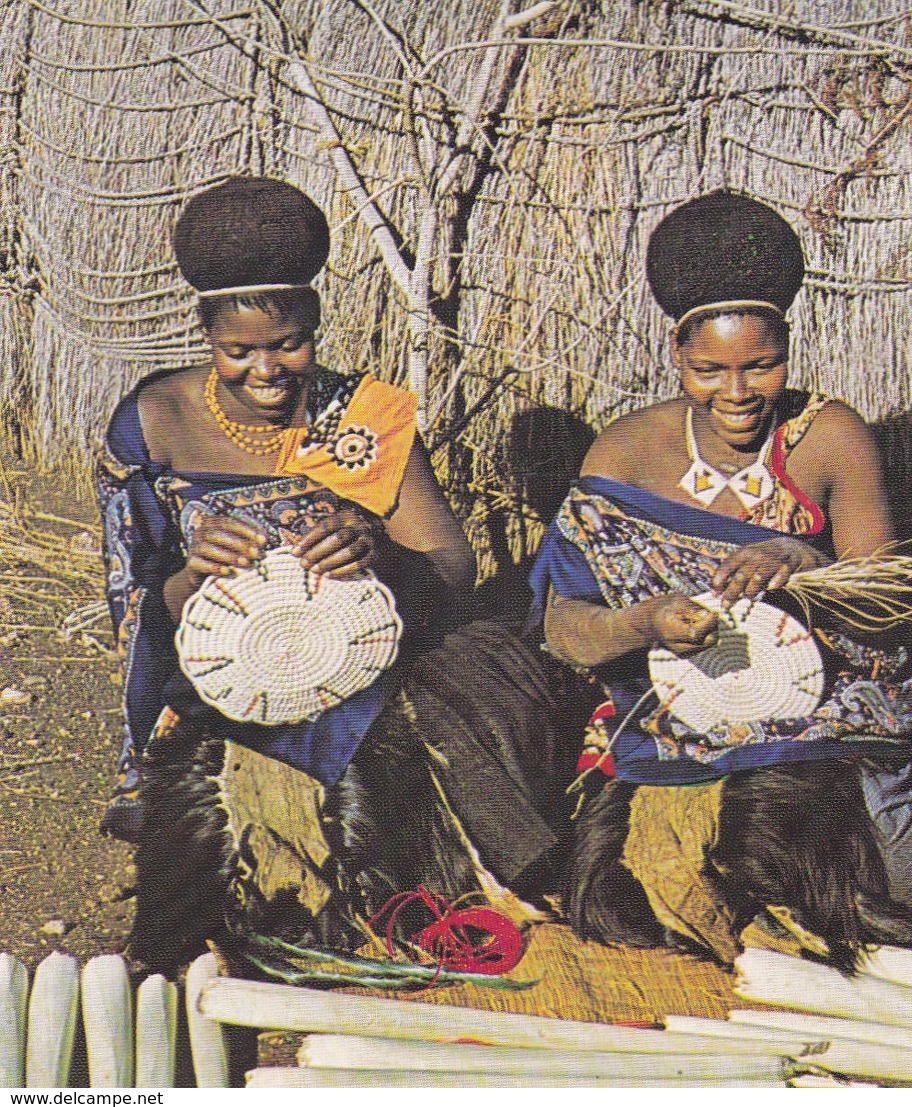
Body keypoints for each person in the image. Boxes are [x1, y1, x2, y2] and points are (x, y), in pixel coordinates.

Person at [532, 191, 912, 968]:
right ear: (674, 354)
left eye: (761, 365)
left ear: (787, 348)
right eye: (708, 370)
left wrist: (806, 566)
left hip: (821, 707)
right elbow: (566, 623)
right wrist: (646, 621)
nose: (737, 393)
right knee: (620, 883)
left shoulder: (827, 437)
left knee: (854, 853)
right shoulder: (624, 455)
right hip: (680, 717)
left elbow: (892, 604)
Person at [96, 177, 576, 971]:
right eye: (238, 350)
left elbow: (454, 568)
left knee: (402, 814)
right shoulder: (153, 422)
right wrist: (188, 578)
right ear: (204, 334)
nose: (266, 370)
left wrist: (376, 548)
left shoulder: (365, 416)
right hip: (220, 681)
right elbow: (131, 594)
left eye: (288, 344)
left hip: (365, 668)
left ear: (315, 326)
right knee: (217, 833)